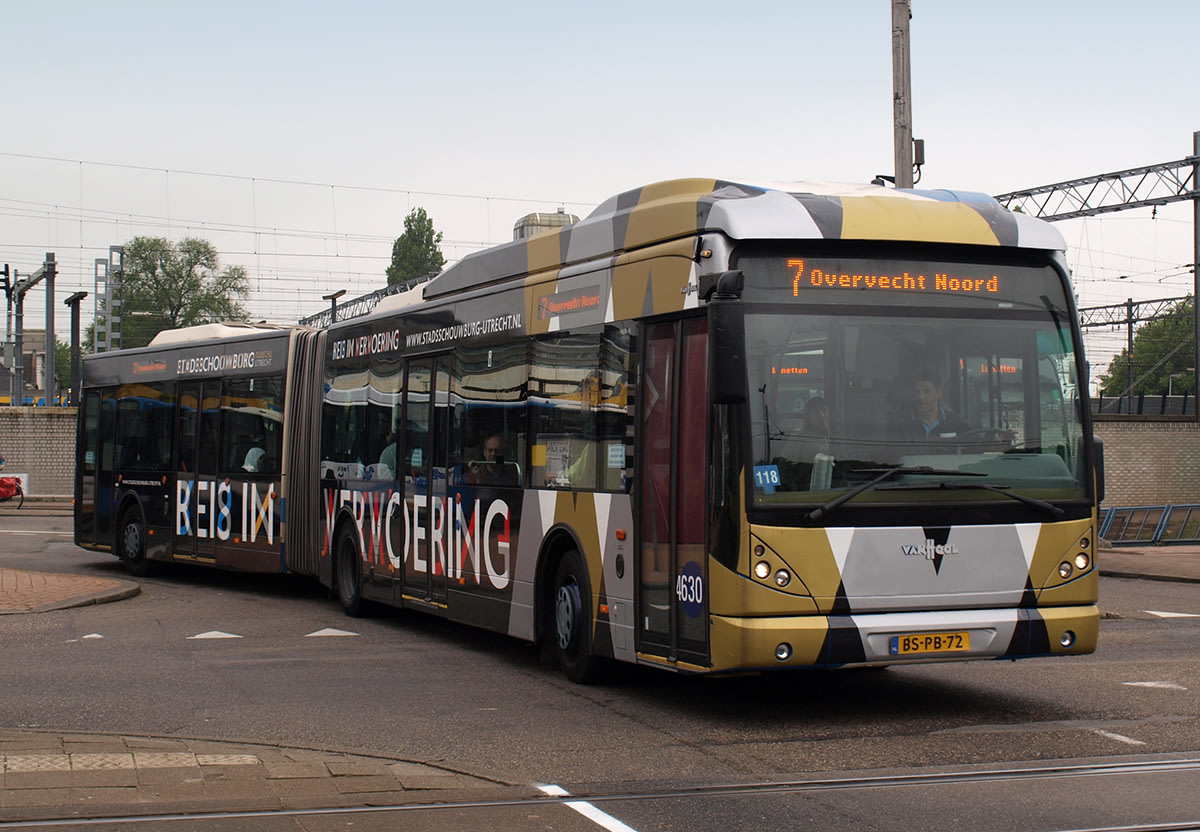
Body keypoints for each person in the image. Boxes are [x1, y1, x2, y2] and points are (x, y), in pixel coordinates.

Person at [892, 374, 970, 440]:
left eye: (926, 392)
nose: (921, 397)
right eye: (917, 392)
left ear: (939, 393)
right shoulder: (903, 425)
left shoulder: (956, 423)